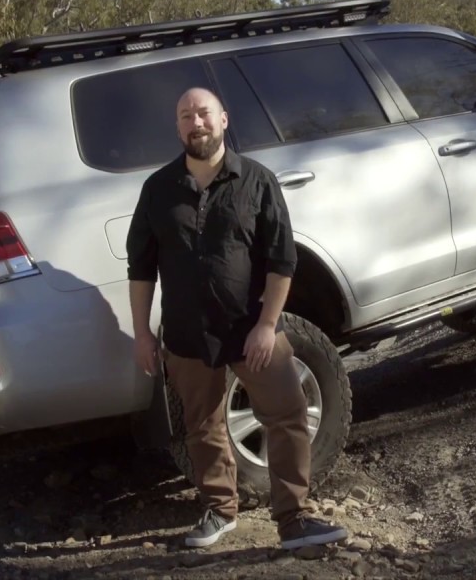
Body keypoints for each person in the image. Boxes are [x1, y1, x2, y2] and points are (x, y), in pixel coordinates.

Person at [125, 86, 349, 551]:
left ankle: (293, 519)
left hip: (251, 327)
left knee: (286, 414)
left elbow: (281, 261)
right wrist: (142, 332)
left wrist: (268, 325)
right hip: (187, 333)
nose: (196, 122)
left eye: (203, 113)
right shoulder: (157, 190)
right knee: (201, 425)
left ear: (223, 119)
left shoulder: (257, 181)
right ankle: (220, 511)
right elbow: (141, 268)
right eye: (186, 116)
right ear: (178, 127)